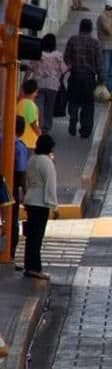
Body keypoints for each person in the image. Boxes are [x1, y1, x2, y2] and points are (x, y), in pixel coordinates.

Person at [23, 135, 59, 280]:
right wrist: (54, 206)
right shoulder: (47, 162)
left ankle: (28, 266)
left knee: (30, 236)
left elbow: (27, 180)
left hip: (30, 200)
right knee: (37, 236)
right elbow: (50, 185)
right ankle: (36, 268)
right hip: (40, 203)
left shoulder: (32, 159)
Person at [64, 18, 104, 138]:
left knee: (73, 101)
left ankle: (73, 119)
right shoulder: (95, 43)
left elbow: (66, 58)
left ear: (80, 28)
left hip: (75, 76)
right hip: (89, 79)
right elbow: (99, 63)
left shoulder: (72, 40)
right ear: (91, 29)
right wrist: (101, 79)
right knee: (88, 105)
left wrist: (72, 65)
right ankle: (85, 130)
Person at [0, 116, 30, 270]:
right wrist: (25, 193)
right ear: (22, 130)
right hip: (9, 191)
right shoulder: (19, 147)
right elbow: (21, 172)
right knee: (11, 223)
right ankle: (8, 255)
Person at [25, 34, 68, 133]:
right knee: (49, 106)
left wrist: (25, 81)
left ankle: (40, 124)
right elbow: (64, 70)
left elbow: (29, 69)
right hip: (52, 85)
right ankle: (47, 127)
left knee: (39, 105)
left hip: (38, 84)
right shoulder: (58, 55)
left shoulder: (37, 54)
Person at [96, 0, 112, 95]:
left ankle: (109, 93)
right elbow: (109, 31)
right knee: (105, 72)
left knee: (111, 72)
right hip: (106, 48)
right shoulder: (103, 17)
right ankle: (101, 92)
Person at [16, 80, 41, 150]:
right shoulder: (30, 105)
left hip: (20, 138)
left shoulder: (20, 102)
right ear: (36, 92)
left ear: (23, 90)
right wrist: (39, 133)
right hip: (29, 141)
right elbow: (33, 123)